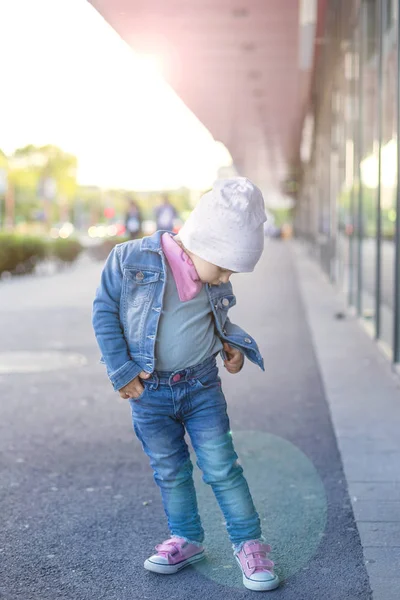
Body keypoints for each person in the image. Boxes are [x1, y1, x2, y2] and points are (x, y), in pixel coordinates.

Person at [92, 177, 279, 592]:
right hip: (149, 392)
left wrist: (230, 345)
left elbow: (215, 321)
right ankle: (187, 538)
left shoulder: (213, 276)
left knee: (222, 468)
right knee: (170, 471)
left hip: (201, 389)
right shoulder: (130, 259)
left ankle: (250, 543)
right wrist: (121, 371)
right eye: (226, 265)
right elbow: (104, 312)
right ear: (205, 243)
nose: (228, 276)